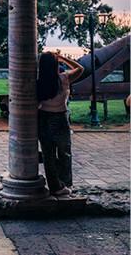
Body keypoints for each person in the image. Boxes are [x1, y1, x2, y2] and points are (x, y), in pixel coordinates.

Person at [37, 51, 84, 196]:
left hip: (42, 117)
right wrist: (64, 58)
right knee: (64, 153)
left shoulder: (38, 82)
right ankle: (65, 184)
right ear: (56, 64)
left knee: (48, 155)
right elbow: (81, 69)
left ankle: (55, 187)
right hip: (59, 118)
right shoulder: (63, 78)